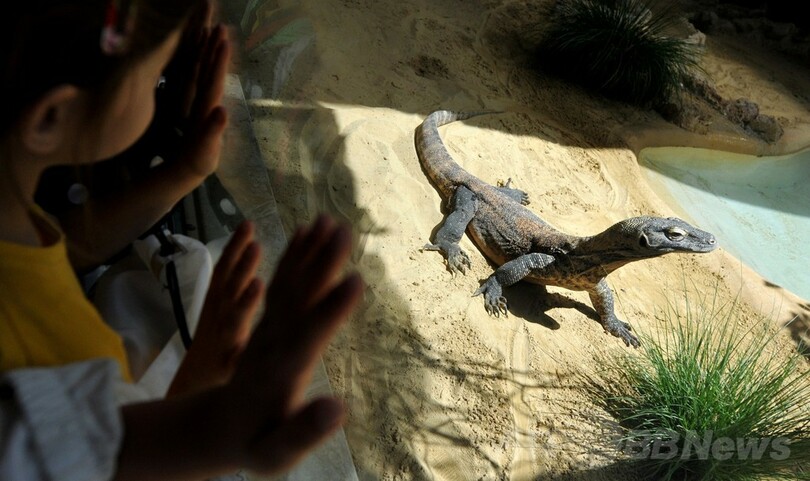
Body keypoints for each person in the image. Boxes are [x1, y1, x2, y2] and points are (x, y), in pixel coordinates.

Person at [0, 0, 364, 479]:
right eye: (153, 77)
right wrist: (209, 414)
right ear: (50, 118)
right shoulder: (37, 372)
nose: (161, 85)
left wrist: (185, 170)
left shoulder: (13, 215)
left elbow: (52, 255)